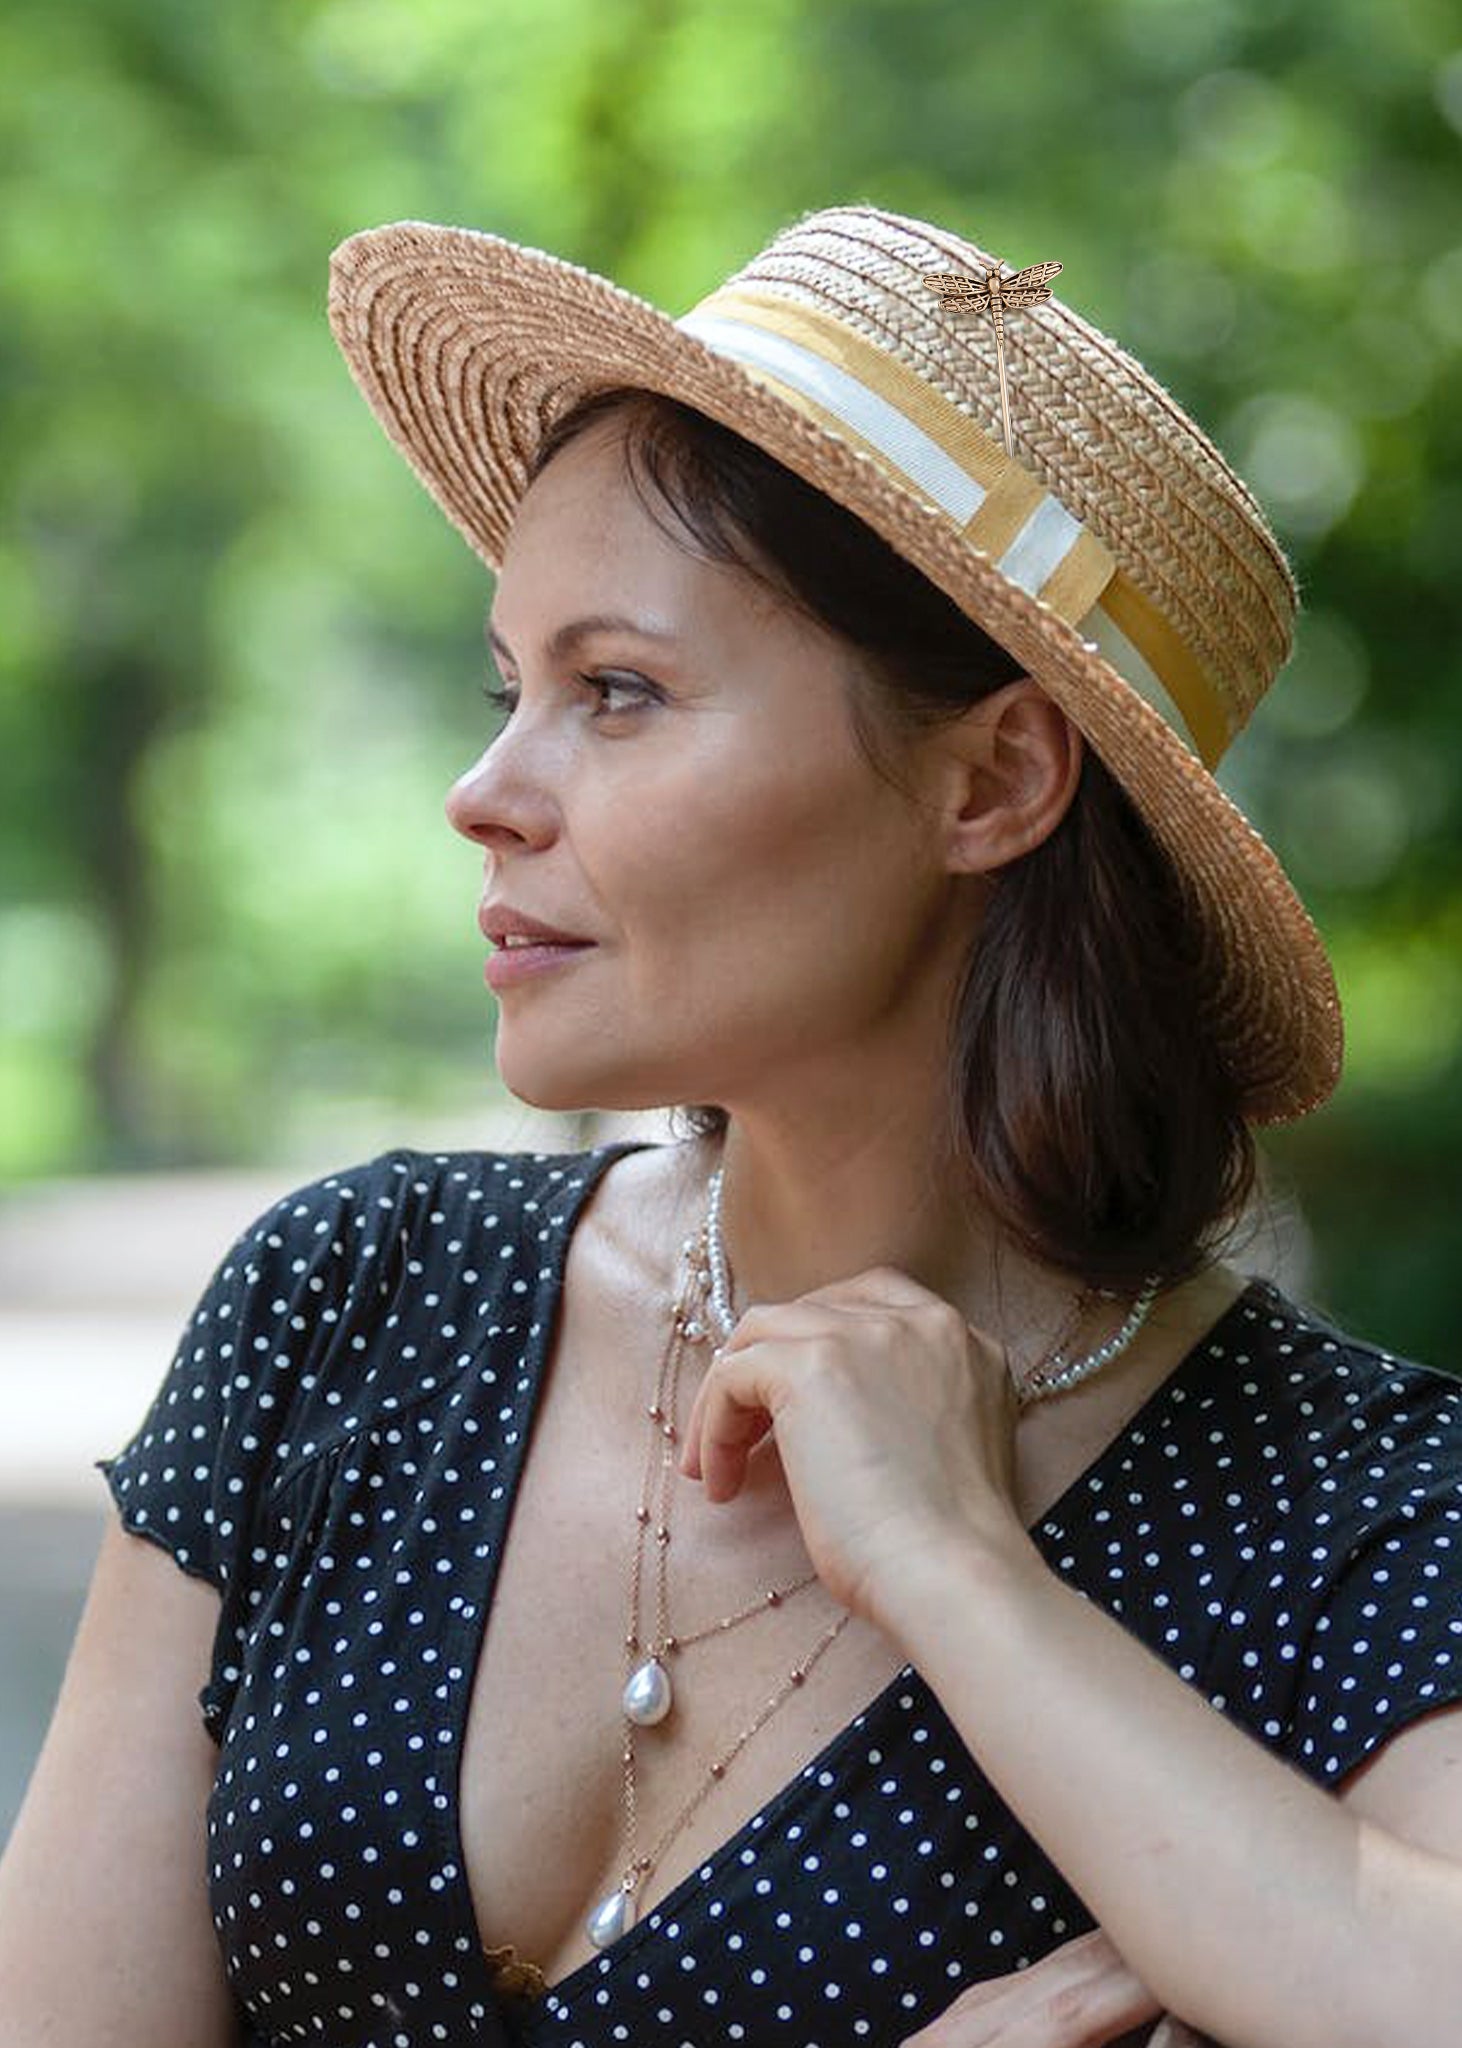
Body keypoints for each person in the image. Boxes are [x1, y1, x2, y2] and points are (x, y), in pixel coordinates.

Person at [0, 202, 1458, 2048]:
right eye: (509, 688)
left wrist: (957, 1569)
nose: (482, 792)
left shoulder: (1346, 1516)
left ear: (991, 779)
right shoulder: (349, 1306)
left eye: (615, 691)